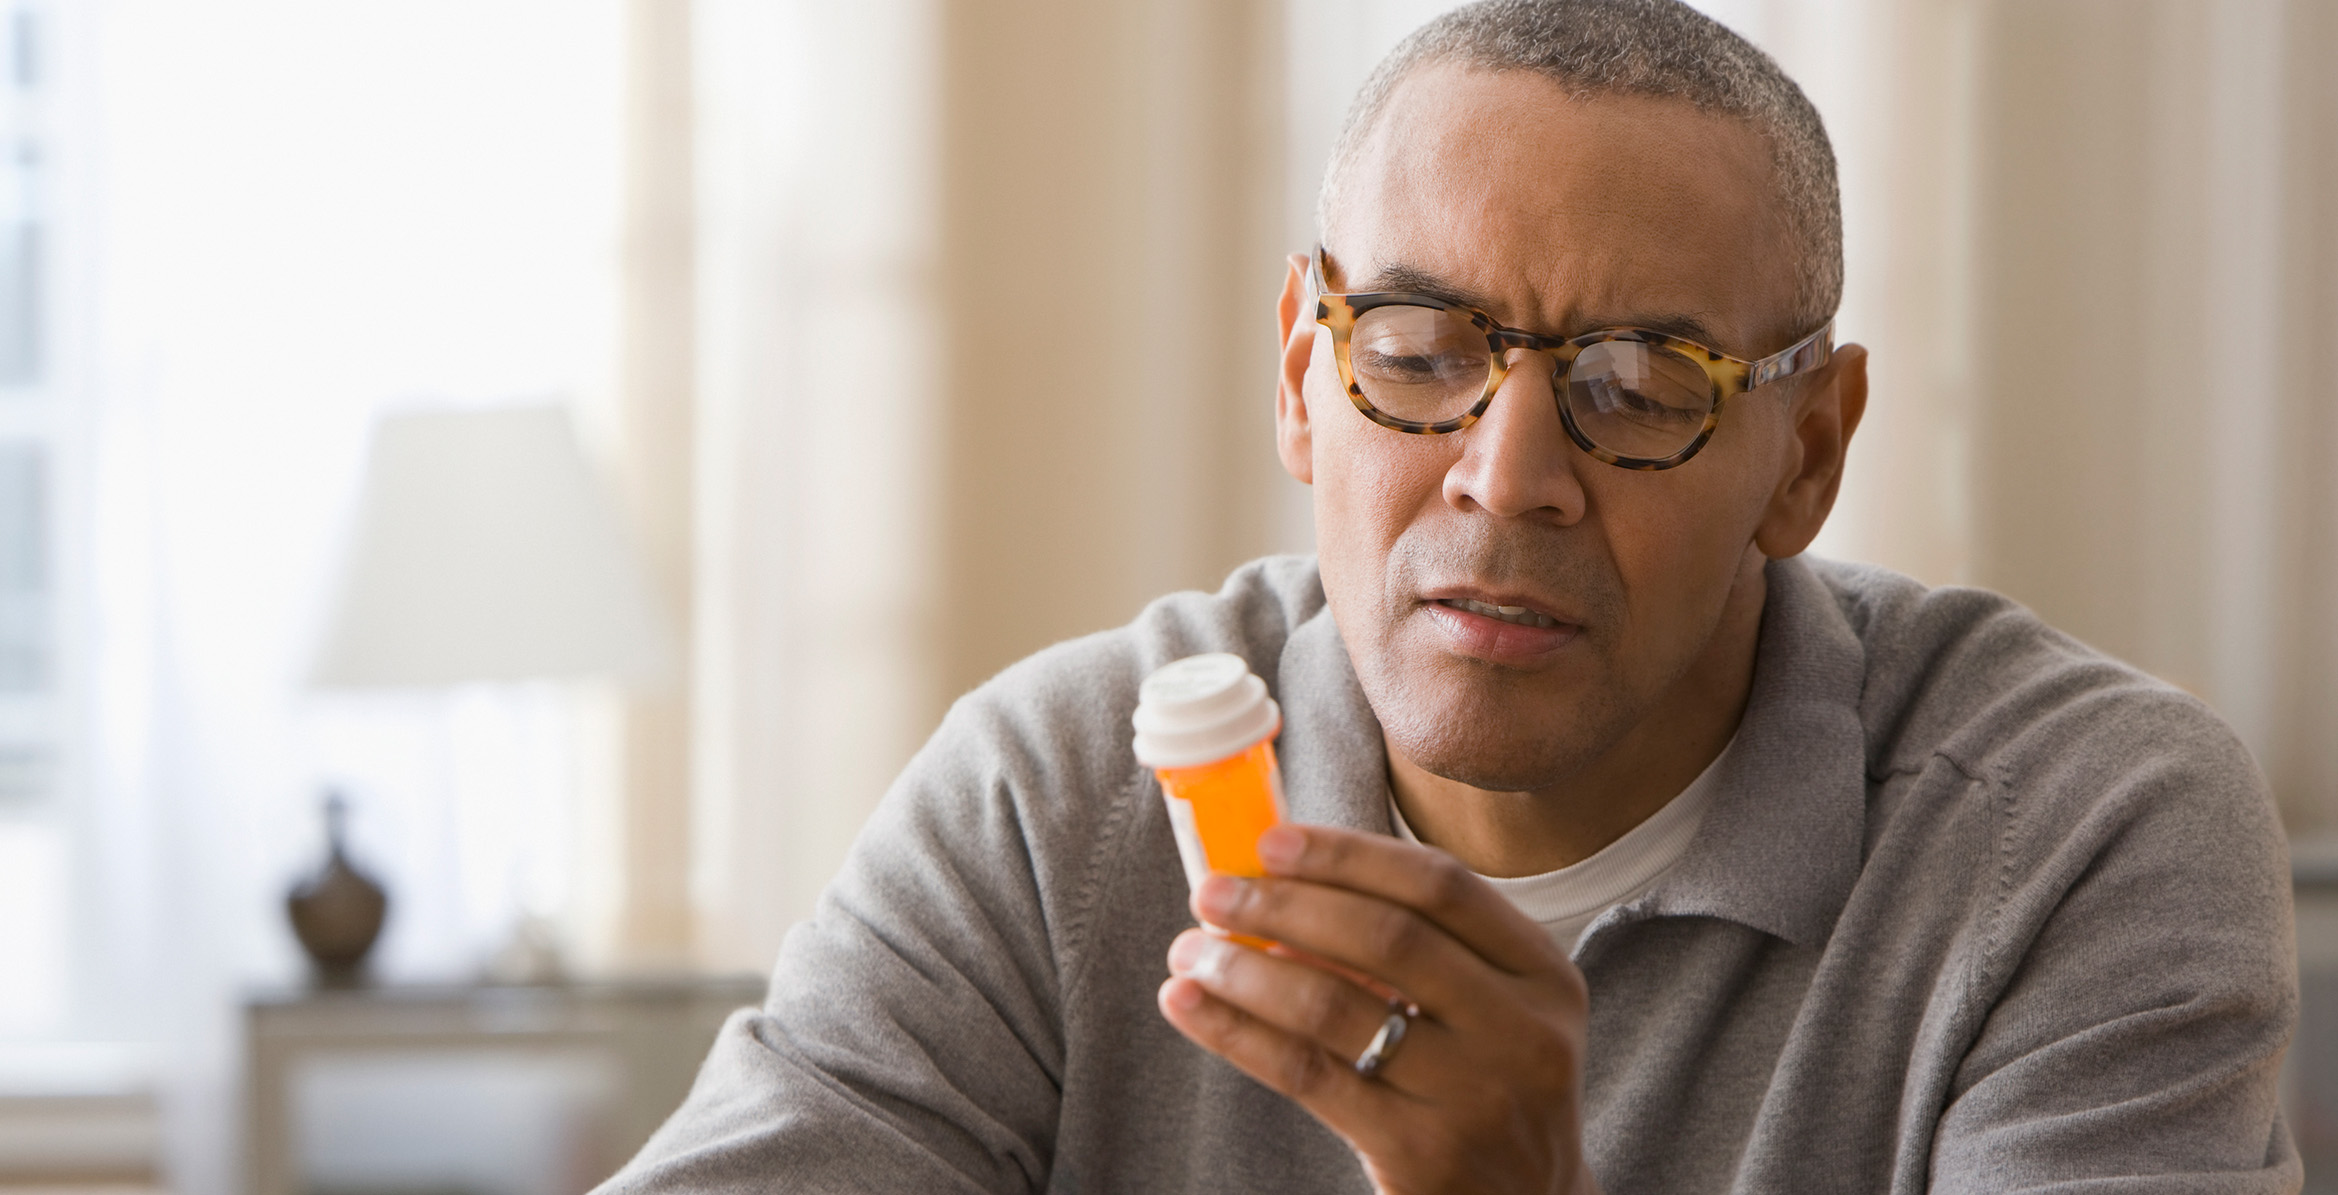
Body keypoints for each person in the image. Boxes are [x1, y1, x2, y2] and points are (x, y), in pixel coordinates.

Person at [598, 0, 2299, 1190]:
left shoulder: (2075, 832)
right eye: (1417, 354)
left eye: (1639, 387)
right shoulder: (1056, 800)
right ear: (1298, 376)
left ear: (1806, 452)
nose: (1505, 475)